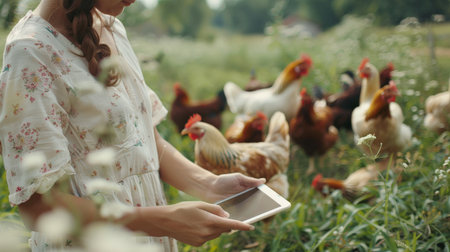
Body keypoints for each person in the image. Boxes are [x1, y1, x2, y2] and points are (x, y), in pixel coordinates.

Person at [0, 0, 265, 251]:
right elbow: (38, 208)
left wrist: (211, 185)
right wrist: (163, 220)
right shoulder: (29, 53)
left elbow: (145, 141)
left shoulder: (111, 28)